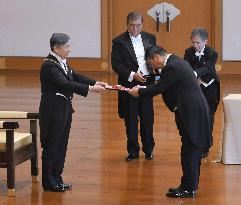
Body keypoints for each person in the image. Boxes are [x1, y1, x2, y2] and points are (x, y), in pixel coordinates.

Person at [129, 45, 212, 198]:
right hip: (193, 111)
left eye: (151, 63)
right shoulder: (175, 61)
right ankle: (188, 185)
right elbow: (163, 85)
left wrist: (139, 91)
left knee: (190, 151)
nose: (152, 67)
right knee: (189, 149)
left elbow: (159, 88)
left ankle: (188, 189)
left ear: (156, 57)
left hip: (192, 113)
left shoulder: (172, 67)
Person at [39, 33, 107, 192]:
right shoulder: (49, 65)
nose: (70, 50)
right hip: (53, 112)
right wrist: (90, 89)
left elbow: (74, 76)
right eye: (67, 47)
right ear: (56, 48)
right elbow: (65, 84)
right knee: (52, 146)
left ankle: (57, 179)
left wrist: (95, 82)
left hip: (64, 109)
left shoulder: (60, 61)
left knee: (61, 145)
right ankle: (49, 182)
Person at [111, 11, 156, 161]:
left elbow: (154, 58)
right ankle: (133, 151)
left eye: (138, 25)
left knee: (147, 118)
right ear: (127, 25)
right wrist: (132, 74)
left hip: (146, 84)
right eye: (132, 25)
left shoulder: (150, 38)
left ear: (142, 24)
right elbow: (116, 64)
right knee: (130, 119)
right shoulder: (119, 41)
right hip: (129, 84)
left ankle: (148, 149)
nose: (135, 29)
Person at [184, 27, 220, 157]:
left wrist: (194, 74)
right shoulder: (188, 52)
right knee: (196, 116)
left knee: (208, 117)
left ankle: (206, 146)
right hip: (195, 90)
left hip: (210, 89)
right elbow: (186, 65)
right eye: (193, 42)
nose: (195, 45)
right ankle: (196, 143)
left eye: (198, 43)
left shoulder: (212, 53)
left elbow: (208, 68)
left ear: (206, 41)